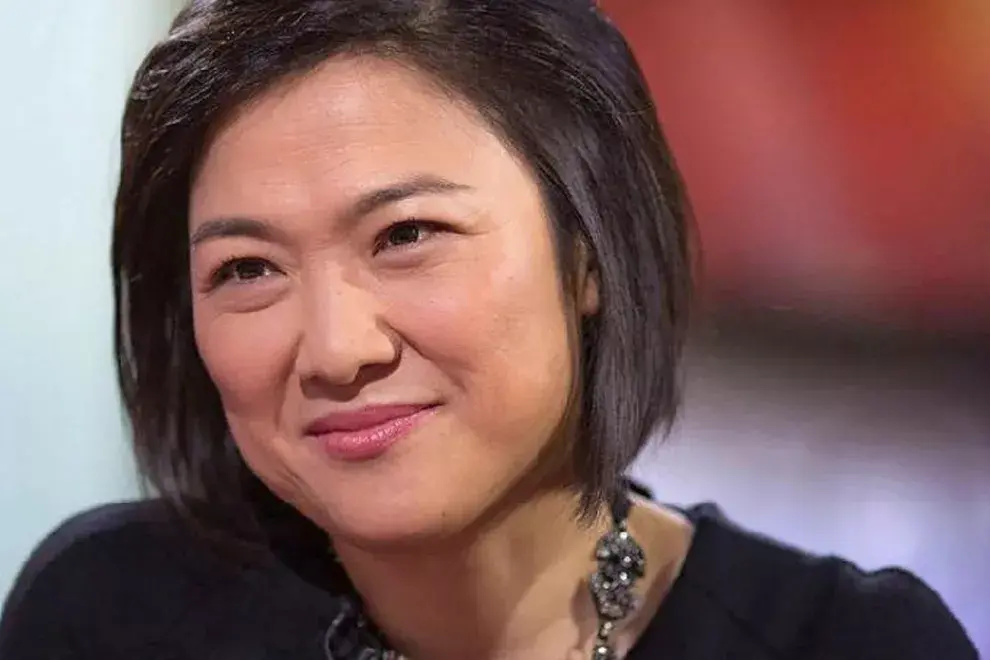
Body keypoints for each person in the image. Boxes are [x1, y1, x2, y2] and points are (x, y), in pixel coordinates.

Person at [0, 1, 978, 658]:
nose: (337, 350)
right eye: (247, 269)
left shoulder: (848, 644)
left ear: (588, 256)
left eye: (407, 235)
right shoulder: (112, 616)